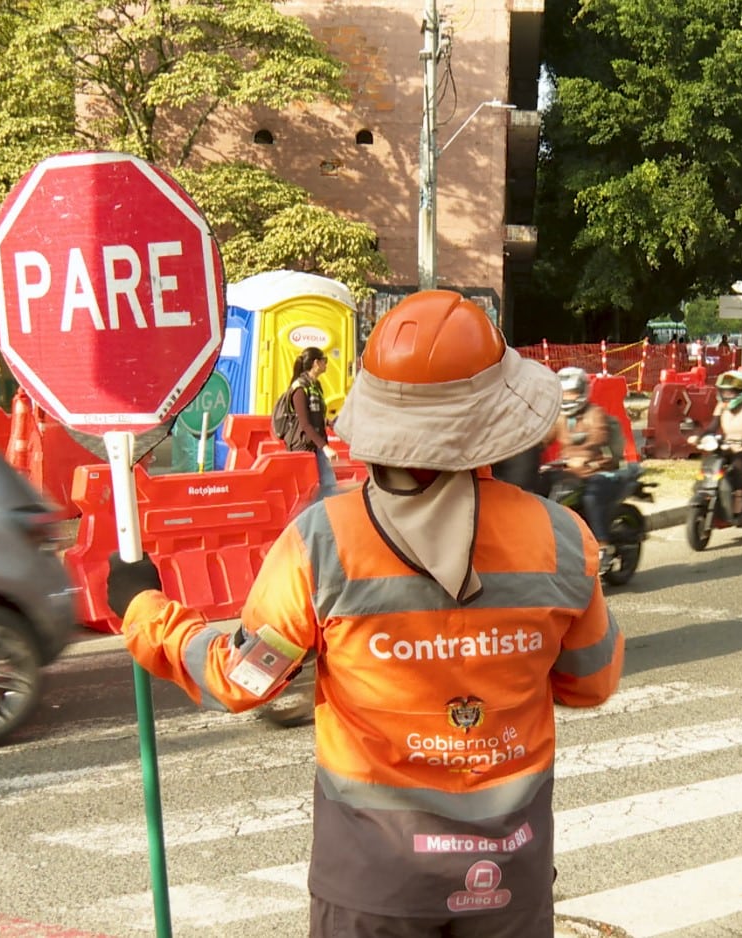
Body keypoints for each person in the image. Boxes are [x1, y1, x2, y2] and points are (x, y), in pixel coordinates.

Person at [105, 290, 622, 938]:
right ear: (496, 420)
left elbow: (241, 679)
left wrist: (143, 609)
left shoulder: (322, 542)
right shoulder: (563, 538)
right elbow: (591, 681)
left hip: (372, 886)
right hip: (506, 877)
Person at [550, 366, 625, 559]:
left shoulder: (595, 413)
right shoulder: (560, 417)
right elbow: (544, 437)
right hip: (572, 472)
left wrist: (585, 455)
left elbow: (599, 436)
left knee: (591, 498)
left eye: (573, 393)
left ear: (583, 391)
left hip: (597, 468)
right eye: (565, 394)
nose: (569, 398)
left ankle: (603, 545)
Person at [689, 369, 742, 516]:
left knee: (738, 463)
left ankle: (738, 497)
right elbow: (712, 427)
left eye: (730, 392)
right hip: (729, 445)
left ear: (740, 392)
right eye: (724, 392)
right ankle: (708, 490)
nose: (726, 396)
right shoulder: (721, 407)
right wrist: (699, 438)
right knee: (712, 459)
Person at [285, 347, 336, 499]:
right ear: (316, 363)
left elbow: (316, 416)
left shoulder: (316, 386)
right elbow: (305, 423)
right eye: (324, 360)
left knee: (329, 486)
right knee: (308, 492)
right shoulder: (300, 388)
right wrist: (325, 447)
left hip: (316, 443)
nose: (326, 364)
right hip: (303, 447)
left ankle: (323, 518)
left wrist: (329, 422)